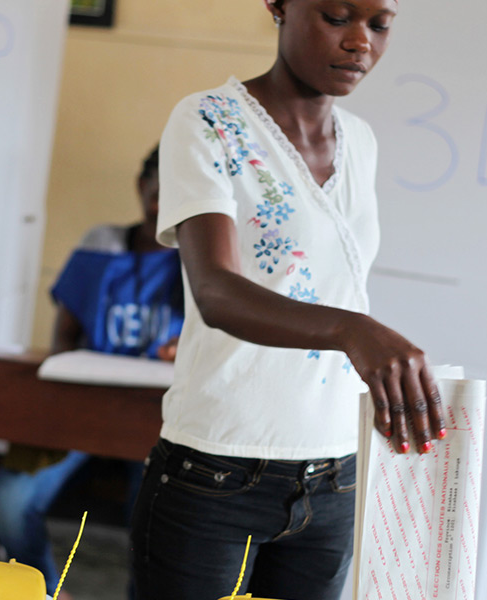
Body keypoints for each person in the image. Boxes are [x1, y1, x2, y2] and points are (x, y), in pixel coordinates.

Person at [129, 2, 446, 600]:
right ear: (278, 5)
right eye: (336, 16)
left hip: (334, 474)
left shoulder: (361, 141)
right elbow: (216, 291)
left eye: (379, 25)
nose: (360, 43)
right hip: (217, 468)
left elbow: (334, 282)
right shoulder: (208, 120)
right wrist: (355, 332)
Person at [0, 146, 184, 597]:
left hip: (158, 423)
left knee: (155, 523)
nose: (162, 210)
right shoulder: (102, 245)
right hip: (83, 408)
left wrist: (185, 351)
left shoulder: (200, 262)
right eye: (157, 196)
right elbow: (66, 334)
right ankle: (45, 591)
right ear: (141, 187)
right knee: (10, 498)